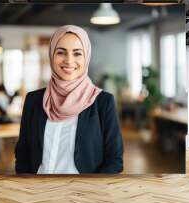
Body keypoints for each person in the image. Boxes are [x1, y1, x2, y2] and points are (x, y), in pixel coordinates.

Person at [15, 25, 123, 174]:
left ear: (86, 57)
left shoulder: (103, 102)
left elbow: (114, 160)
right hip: (36, 191)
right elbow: (22, 154)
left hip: (83, 193)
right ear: (51, 54)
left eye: (77, 53)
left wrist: (90, 190)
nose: (69, 60)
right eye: (61, 52)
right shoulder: (33, 100)